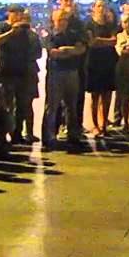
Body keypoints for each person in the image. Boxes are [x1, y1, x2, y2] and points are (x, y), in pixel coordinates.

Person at [0, 5, 43, 145]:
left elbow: (37, 51)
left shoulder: (27, 32)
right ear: (9, 13)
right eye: (15, 13)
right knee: (6, 106)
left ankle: (17, 134)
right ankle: (2, 135)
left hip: (23, 73)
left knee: (22, 105)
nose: (18, 16)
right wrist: (12, 32)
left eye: (20, 13)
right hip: (6, 72)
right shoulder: (3, 27)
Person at [42, 8, 88, 150]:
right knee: (53, 106)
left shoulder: (73, 34)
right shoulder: (49, 35)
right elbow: (54, 53)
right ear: (53, 20)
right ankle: (48, 137)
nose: (63, 22)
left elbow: (81, 50)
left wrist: (66, 50)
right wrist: (71, 51)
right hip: (56, 73)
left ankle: (73, 136)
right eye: (60, 19)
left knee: (72, 106)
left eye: (65, 19)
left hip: (72, 72)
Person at [84, 0, 120, 139]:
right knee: (95, 95)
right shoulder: (88, 23)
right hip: (94, 62)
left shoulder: (110, 24)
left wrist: (100, 41)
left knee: (107, 95)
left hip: (109, 62)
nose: (101, 8)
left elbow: (114, 40)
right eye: (99, 6)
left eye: (103, 6)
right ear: (93, 8)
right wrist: (105, 42)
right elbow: (92, 42)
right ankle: (95, 125)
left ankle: (104, 124)